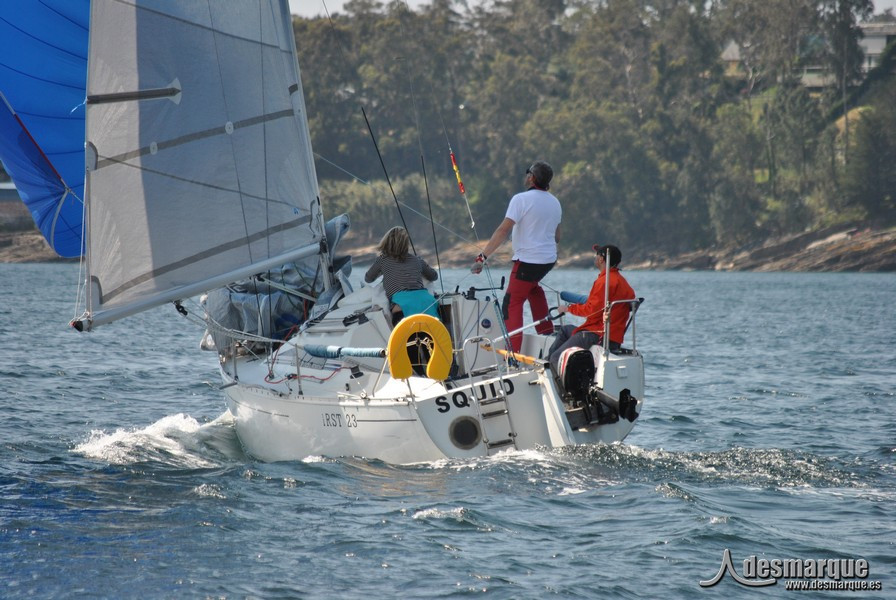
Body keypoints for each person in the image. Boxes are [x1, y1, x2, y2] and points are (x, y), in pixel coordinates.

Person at [471, 161, 561, 353]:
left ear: (532, 178)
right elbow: (557, 236)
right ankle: (547, 336)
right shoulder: (555, 202)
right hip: (548, 261)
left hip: (528, 262)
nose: (526, 176)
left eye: (528, 173)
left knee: (512, 303)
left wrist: (482, 258)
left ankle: (512, 355)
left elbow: (503, 230)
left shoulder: (520, 199)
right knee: (533, 290)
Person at [548, 244, 636, 374]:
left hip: (597, 334)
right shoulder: (623, 282)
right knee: (565, 330)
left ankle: (556, 386)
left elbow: (591, 310)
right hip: (612, 336)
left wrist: (568, 309)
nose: (595, 257)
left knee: (556, 358)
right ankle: (547, 366)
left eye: (597, 255)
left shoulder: (604, 282)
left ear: (601, 259)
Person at [365, 226, 439, 325]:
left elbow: (368, 279)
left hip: (401, 307)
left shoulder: (382, 260)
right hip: (426, 303)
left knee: (405, 339)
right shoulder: (417, 260)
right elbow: (434, 276)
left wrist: (383, 271)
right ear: (406, 244)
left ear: (386, 242)